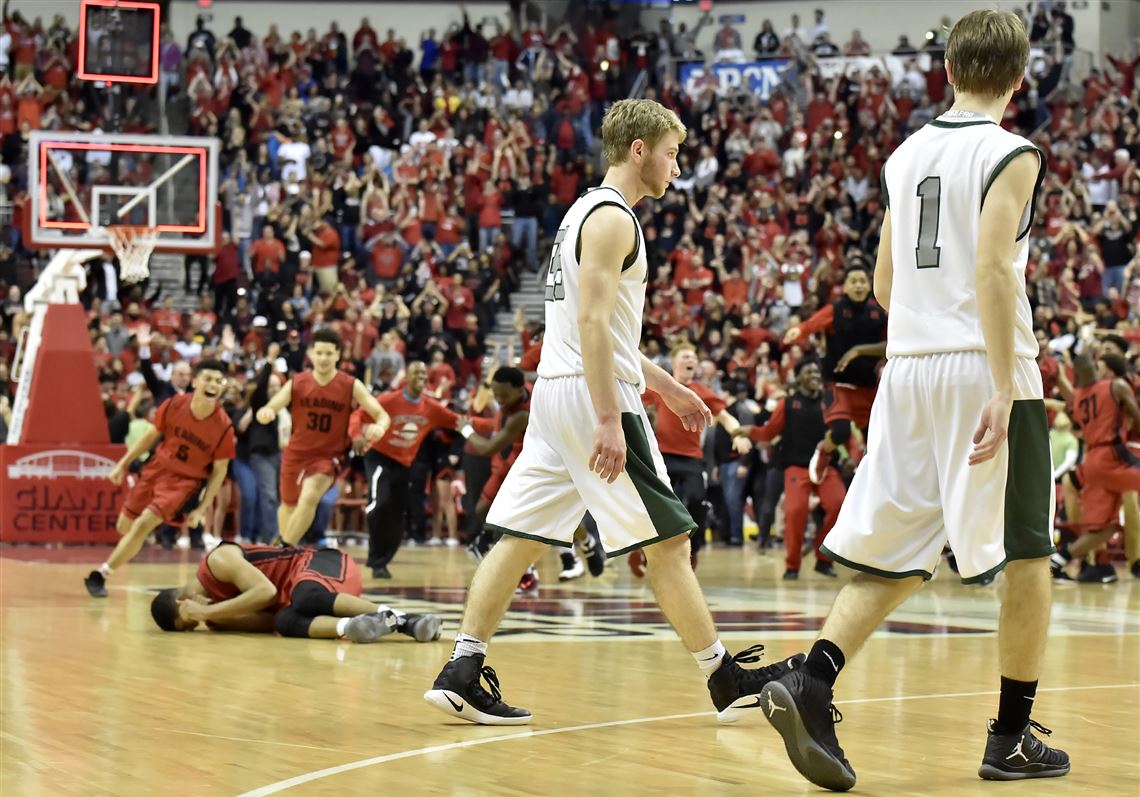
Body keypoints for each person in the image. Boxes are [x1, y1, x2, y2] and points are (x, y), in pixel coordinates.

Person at [758, 12, 1069, 790]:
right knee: (1029, 557)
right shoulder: (1011, 152)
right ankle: (1010, 736)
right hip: (982, 367)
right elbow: (996, 271)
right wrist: (1000, 383)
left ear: (950, 69)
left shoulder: (906, 153)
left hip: (910, 367)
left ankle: (813, 679)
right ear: (1020, 78)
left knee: (899, 551)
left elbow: (888, 281)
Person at [423, 99, 802, 726]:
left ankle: (463, 667)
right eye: (671, 152)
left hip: (556, 393)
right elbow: (594, 324)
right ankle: (724, 678)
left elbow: (601, 332)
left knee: (518, 538)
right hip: (591, 397)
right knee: (671, 541)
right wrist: (607, 416)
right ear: (638, 150)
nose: (676, 167)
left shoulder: (580, 215)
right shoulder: (612, 219)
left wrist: (669, 389)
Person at [85, 360, 235, 598]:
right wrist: (122, 465)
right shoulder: (174, 405)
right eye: (208, 379)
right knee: (125, 526)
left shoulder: (224, 426)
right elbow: (148, 437)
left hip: (184, 482)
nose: (213, 385)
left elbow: (219, 473)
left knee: (144, 523)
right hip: (156, 469)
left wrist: (201, 508)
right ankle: (130, 546)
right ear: (195, 382)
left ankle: (101, 574)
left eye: (219, 381)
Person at [148, 541, 442, 643]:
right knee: (284, 622)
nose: (196, 621)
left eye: (188, 617)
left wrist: (209, 611)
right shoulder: (216, 617)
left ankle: (408, 621)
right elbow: (268, 619)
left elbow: (266, 592)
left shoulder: (217, 561)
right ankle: (354, 627)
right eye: (191, 626)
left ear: (182, 600)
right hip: (305, 593)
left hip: (322, 563)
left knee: (304, 595)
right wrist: (216, 616)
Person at [255, 329, 391, 546]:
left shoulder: (350, 384)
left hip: (328, 457)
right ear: (311, 354)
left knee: (309, 497)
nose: (324, 358)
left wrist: (380, 427)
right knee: (288, 505)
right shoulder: (297, 382)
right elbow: (272, 406)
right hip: (295, 453)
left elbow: (381, 414)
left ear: (338, 355)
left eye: (329, 353)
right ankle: (285, 553)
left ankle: (282, 548)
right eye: (319, 353)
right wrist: (267, 412)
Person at [633, 343, 751, 573]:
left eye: (694, 358)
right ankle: (646, 550)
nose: (692, 361)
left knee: (697, 501)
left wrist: (737, 435)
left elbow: (725, 418)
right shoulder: (661, 385)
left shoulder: (703, 391)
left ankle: (692, 550)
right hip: (662, 455)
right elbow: (631, 397)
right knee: (659, 506)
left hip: (691, 459)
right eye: (687, 356)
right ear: (674, 361)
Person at [347, 360, 460, 579]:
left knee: (398, 515)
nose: (421, 377)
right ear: (406, 377)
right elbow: (357, 415)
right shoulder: (389, 400)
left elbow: (458, 421)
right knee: (380, 503)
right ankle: (376, 558)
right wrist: (357, 436)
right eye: (415, 373)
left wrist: (494, 425)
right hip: (378, 456)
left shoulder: (430, 407)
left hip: (404, 463)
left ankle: (383, 560)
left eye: (424, 374)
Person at [734, 360, 845, 579]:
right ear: (798, 378)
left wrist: (851, 454)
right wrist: (749, 431)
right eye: (809, 370)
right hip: (796, 466)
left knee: (839, 506)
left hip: (826, 465)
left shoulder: (829, 401)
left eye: (816, 370)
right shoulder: (787, 403)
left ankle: (823, 558)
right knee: (795, 513)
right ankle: (792, 564)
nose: (814, 373)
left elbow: (841, 430)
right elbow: (768, 433)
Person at [783, 265, 887, 483]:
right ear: (845, 287)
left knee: (877, 443)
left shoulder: (878, 312)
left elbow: (890, 344)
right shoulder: (836, 309)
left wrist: (859, 350)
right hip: (837, 384)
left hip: (866, 387)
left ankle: (874, 483)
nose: (859, 285)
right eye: (854, 281)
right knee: (840, 432)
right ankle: (824, 452)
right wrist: (799, 330)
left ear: (869, 285)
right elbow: (812, 324)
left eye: (862, 281)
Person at [1051, 353, 1140, 583]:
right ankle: (1109, 560)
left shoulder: (1080, 396)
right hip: (1113, 454)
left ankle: (1060, 559)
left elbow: (1075, 421)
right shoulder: (1117, 386)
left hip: (1092, 460)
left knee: (1107, 528)